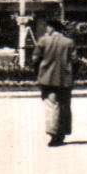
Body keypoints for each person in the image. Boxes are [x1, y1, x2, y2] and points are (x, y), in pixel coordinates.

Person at [34, 16, 76, 147]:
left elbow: (35, 58)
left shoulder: (43, 41)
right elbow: (75, 60)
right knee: (64, 105)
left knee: (51, 106)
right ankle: (62, 133)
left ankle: (53, 135)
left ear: (51, 27)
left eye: (47, 26)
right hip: (65, 79)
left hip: (47, 79)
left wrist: (39, 73)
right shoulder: (69, 42)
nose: (46, 29)